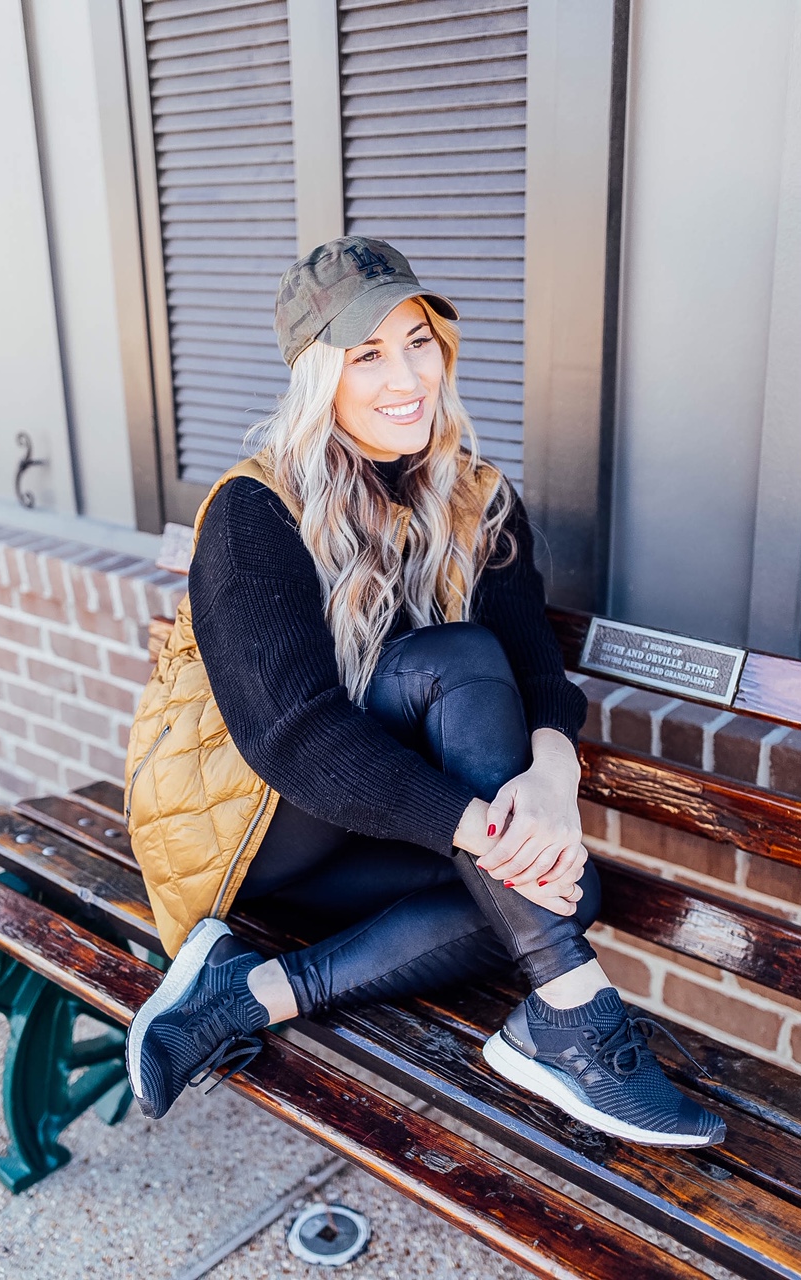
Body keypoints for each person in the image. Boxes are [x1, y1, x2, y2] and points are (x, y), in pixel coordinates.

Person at [124, 236, 724, 1148]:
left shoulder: (473, 496)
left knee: (567, 891)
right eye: (367, 354)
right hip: (246, 831)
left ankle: (247, 995)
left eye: (418, 342)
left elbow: (533, 669)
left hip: (377, 827)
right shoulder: (257, 511)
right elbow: (294, 735)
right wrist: (488, 834)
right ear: (319, 374)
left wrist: (552, 787)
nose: (405, 376)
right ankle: (573, 1015)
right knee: (455, 666)